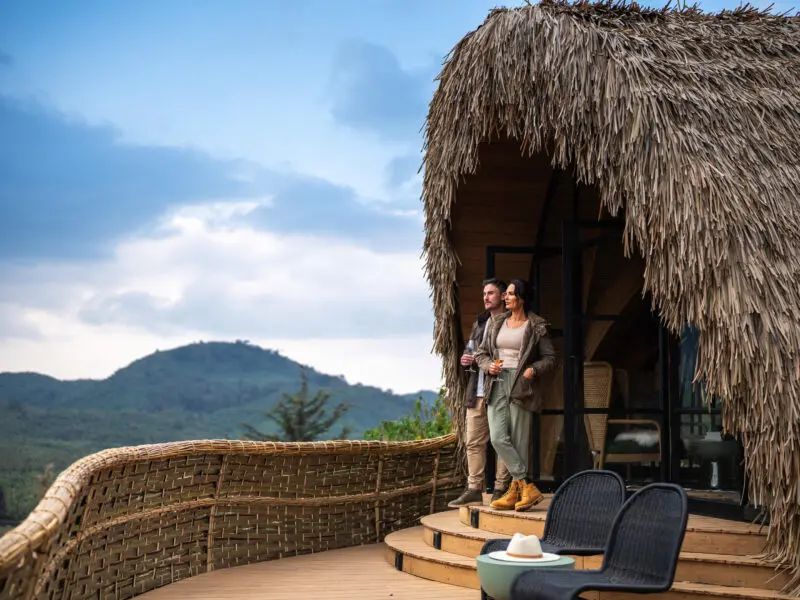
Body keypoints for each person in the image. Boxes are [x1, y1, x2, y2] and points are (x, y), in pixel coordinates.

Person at [475, 278, 556, 511]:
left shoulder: (536, 325)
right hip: (497, 382)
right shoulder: (496, 323)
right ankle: (526, 485)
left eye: (510, 294)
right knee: (498, 437)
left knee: (519, 441)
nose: (506, 297)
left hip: (521, 384)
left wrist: (533, 370)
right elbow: (481, 354)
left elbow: (550, 358)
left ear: (521, 298)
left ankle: (514, 491)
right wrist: (488, 365)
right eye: (506, 294)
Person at [448, 278, 511, 507]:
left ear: (503, 296)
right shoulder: (480, 322)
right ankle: (474, 488)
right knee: (473, 442)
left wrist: (484, 359)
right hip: (477, 389)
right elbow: (471, 350)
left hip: (500, 388)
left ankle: (500, 488)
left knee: (500, 441)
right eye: (484, 293)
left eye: (491, 293)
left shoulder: (510, 323)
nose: (486, 297)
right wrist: (466, 359)